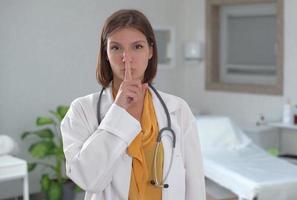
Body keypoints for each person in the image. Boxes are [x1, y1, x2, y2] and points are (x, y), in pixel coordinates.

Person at [61, 9, 206, 200]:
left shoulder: (178, 109)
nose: (126, 58)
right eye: (116, 48)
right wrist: (118, 111)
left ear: (150, 51)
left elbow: (194, 182)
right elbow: (87, 179)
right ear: (105, 53)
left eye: (137, 47)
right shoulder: (81, 111)